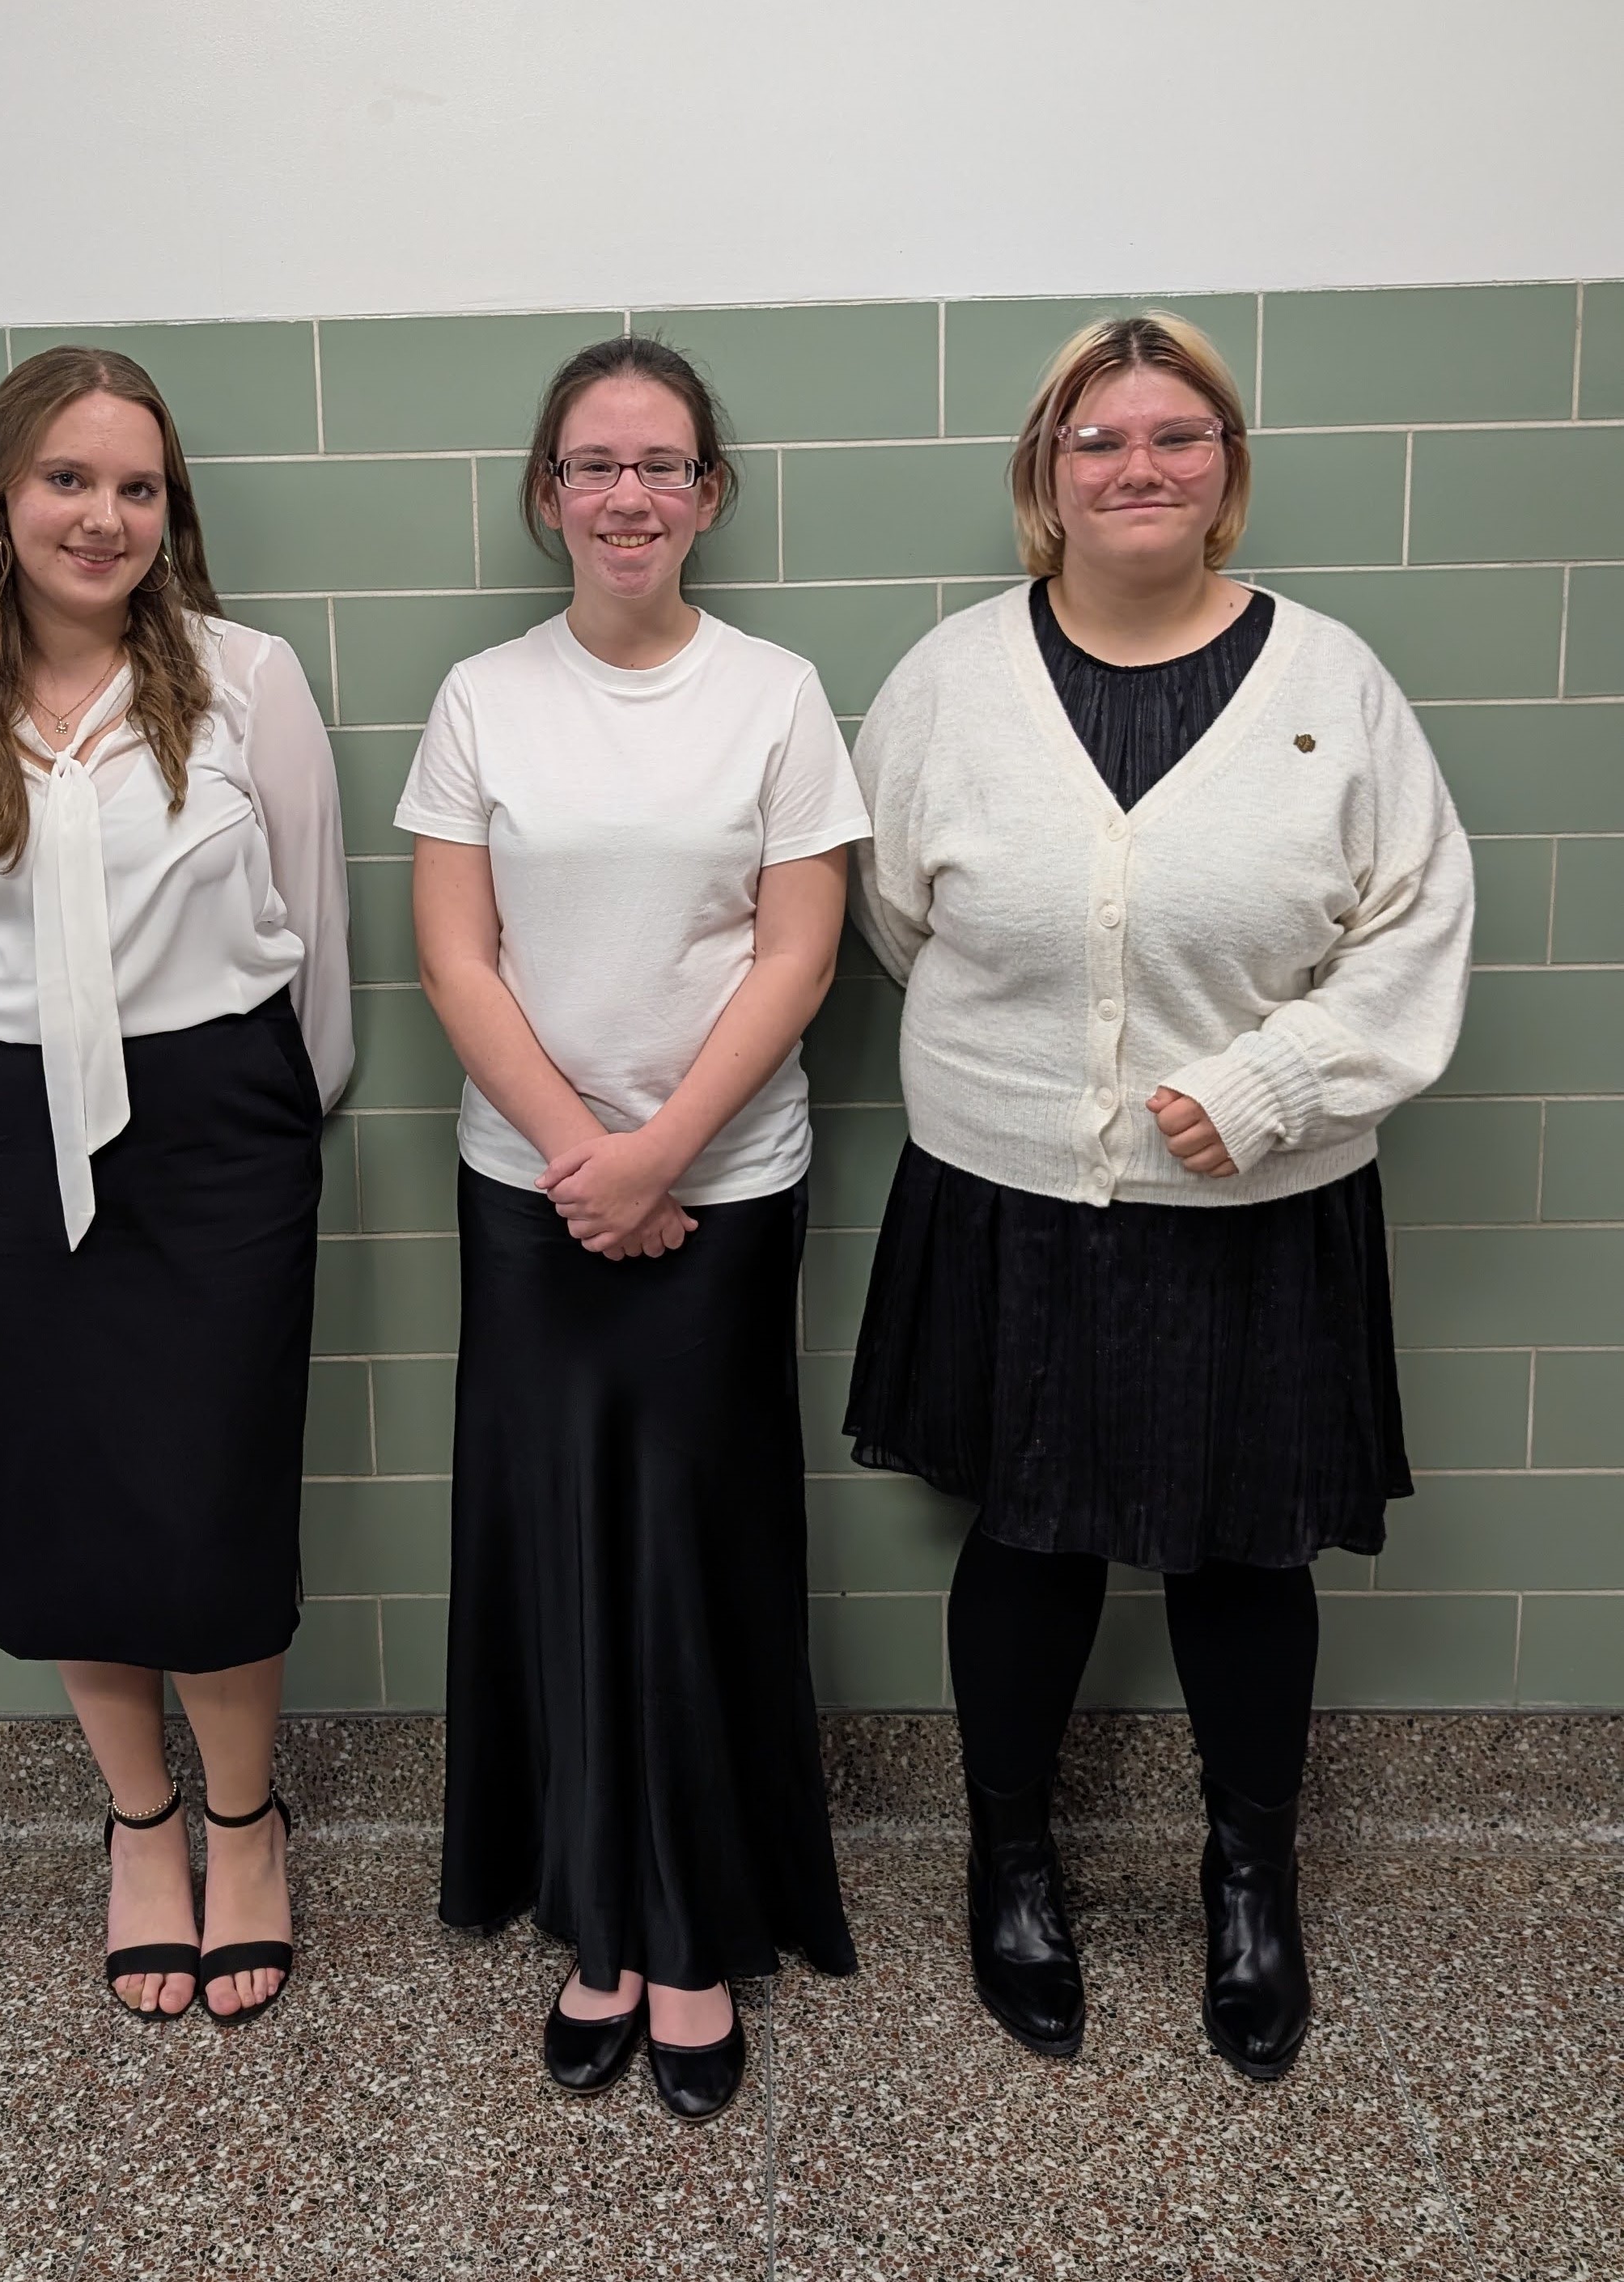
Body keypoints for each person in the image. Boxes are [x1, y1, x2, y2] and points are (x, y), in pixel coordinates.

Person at [844, 314, 1473, 2081]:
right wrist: (1043, 1083)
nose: (1139, 468)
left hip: (1261, 1201)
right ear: (1045, 476)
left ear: (1227, 468)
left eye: (1176, 438)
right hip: (1016, 1191)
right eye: (1097, 439)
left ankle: (1249, 1875)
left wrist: (1269, 1086)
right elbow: (900, 918)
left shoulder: (1332, 683)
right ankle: (1013, 1862)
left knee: (1241, 1548)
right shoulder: (952, 681)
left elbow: (1416, 925)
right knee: (1031, 1532)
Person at [0, 346, 353, 2028]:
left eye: (138, 488)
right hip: (3, 1118)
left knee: (212, 1488)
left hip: (216, 1123)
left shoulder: (245, 680)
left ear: (169, 513)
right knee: (57, 1482)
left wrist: (264, 1111)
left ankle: (243, 1821)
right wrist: (11, 1087)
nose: (104, 516)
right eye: (70, 479)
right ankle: (140, 1829)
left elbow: (314, 945)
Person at [401, 335, 865, 2121]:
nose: (627, 495)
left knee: (693, 1547)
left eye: (662, 465)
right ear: (548, 495)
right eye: (593, 465)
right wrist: (576, 1157)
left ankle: (690, 1935)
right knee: (562, 1546)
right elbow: (456, 953)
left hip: (725, 1195)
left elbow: (799, 951)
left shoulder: (777, 695)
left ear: (710, 497)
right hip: (530, 1203)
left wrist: (659, 1150)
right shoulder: (481, 699)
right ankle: (592, 1917)